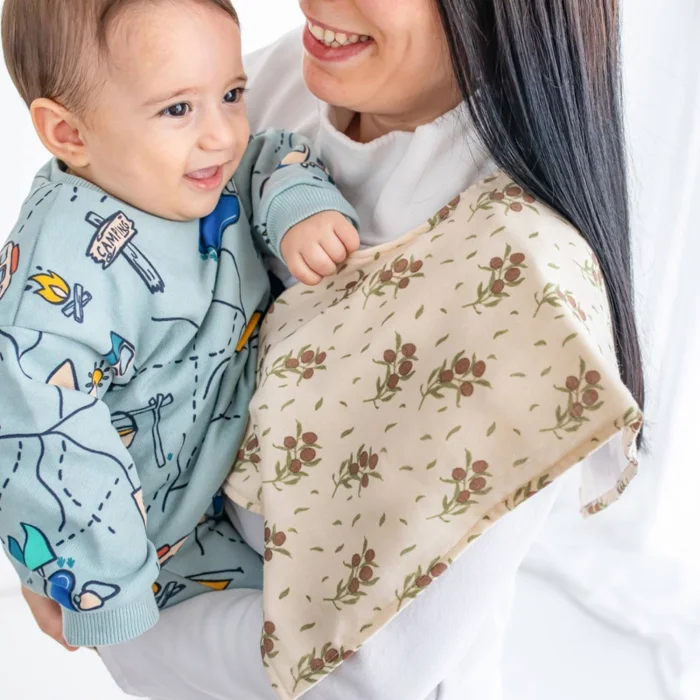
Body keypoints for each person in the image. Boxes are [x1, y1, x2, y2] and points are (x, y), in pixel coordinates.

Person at [36, 1, 647, 699]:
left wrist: (99, 601)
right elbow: (79, 249)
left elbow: (359, 672)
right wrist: (54, 516)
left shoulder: (522, 283)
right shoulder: (269, 87)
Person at [0, 0, 360, 649]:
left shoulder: (203, 170)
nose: (222, 134)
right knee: (302, 653)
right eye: (177, 109)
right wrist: (106, 587)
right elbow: (42, 437)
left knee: (350, 616)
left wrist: (299, 207)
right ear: (69, 134)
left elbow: (270, 158)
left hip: (229, 480)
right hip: (150, 547)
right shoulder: (59, 283)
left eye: (231, 95)